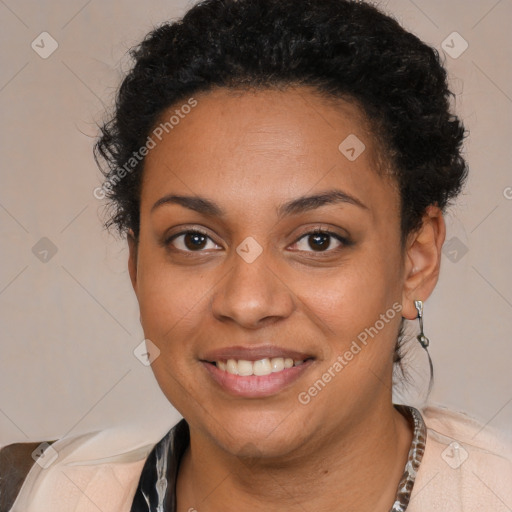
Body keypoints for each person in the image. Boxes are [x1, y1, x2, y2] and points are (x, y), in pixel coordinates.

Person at [3, 0, 511, 511]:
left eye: (318, 240)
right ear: (137, 266)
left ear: (415, 261)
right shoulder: (33, 493)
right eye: (194, 240)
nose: (247, 303)